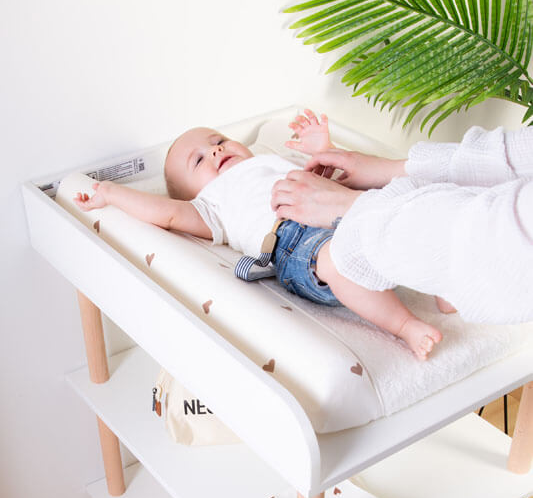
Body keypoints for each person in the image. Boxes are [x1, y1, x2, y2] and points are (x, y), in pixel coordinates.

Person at [74, 112, 443, 360]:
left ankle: (443, 280)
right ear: (192, 193)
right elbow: (166, 213)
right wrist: (111, 193)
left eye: (219, 140)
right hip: (298, 244)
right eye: (199, 160)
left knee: (400, 211)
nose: (216, 149)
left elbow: (335, 182)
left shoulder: (273, 161)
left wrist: (321, 151)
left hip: (345, 211)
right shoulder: (210, 205)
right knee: (338, 260)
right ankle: (404, 325)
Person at [272, 116, 533, 326]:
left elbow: (509, 239)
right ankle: (407, 324)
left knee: (341, 256)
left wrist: (348, 199)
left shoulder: (271, 160)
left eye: (228, 142)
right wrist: (394, 169)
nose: (227, 148)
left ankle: (418, 311)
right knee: (331, 263)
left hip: (332, 211)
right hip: (293, 236)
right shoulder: (233, 186)